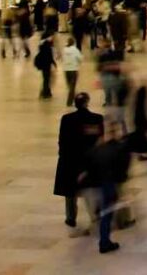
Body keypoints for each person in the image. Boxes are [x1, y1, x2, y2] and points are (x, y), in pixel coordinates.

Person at [53, 92, 104, 230]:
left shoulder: (67, 119)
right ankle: (96, 213)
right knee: (92, 189)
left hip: (70, 160)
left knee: (70, 191)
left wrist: (62, 155)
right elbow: (99, 140)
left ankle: (70, 217)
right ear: (87, 102)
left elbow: (62, 140)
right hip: (89, 159)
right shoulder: (96, 119)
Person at [83, 121, 129, 254]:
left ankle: (105, 238)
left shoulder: (100, 148)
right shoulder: (119, 148)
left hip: (101, 183)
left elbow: (90, 162)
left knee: (106, 210)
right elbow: (122, 168)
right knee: (107, 213)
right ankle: (104, 242)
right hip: (110, 184)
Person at [61, 37, 83, 107]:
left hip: (66, 70)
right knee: (72, 87)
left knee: (69, 86)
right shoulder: (75, 50)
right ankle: (69, 102)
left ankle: (75, 100)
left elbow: (62, 58)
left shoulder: (64, 50)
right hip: (73, 69)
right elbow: (80, 58)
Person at [34, 34, 56, 99]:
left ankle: (47, 92)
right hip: (47, 66)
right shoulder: (48, 47)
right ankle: (45, 93)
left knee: (46, 79)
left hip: (43, 66)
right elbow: (50, 57)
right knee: (46, 80)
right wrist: (54, 63)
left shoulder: (42, 46)